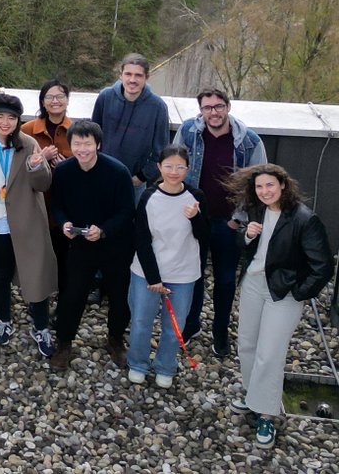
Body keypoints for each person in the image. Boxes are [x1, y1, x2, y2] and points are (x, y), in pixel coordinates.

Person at [227, 164, 332, 449]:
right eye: (259, 187)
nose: (265, 191)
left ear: (283, 185)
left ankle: (266, 413)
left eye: (270, 185)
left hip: (282, 292)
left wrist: (297, 293)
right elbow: (246, 246)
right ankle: (252, 396)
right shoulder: (256, 210)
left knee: (269, 354)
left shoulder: (303, 219)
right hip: (253, 285)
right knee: (247, 345)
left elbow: (322, 267)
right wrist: (248, 235)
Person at [173, 88, 268, 357]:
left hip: (229, 221)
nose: (213, 112)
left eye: (218, 106)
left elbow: (257, 185)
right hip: (195, 218)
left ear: (228, 107)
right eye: (207, 107)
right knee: (193, 274)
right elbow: (175, 167)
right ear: (200, 110)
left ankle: (220, 329)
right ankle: (191, 324)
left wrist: (238, 220)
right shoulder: (189, 132)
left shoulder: (249, 141)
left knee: (226, 279)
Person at [0, 93, 57, 357]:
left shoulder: (28, 145)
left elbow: (42, 185)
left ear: (18, 121)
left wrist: (37, 166)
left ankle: (41, 327)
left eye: (11, 118)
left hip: (27, 223)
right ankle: (4, 319)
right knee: (0, 274)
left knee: (34, 274)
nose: (5, 122)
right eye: (0, 116)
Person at [49, 120, 136, 371]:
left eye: (88, 143)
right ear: (71, 144)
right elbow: (57, 205)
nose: (82, 149)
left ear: (98, 144)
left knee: (119, 296)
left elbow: (127, 210)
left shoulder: (117, 172)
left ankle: (116, 340)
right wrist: (64, 223)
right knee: (72, 293)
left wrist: (104, 230)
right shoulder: (64, 171)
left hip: (115, 243)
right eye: (77, 143)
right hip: (81, 243)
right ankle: (64, 342)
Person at [127, 145, 211, 388]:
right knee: (142, 321)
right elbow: (141, 239)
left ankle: (165, 366)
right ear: (159, 167)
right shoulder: (149, 196)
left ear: (187, 169)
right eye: (168, 166)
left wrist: (195, 217)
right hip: (147, 272)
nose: (174, 172)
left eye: (180, 167)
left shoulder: (196, 197)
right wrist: (153, 277)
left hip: (183, 273)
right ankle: (138, 363)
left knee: (175, 327)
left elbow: (205, 237)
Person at [20, 79, 74, 299]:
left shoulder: (76, 131)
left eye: (60, 96)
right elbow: (17, 167)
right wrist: (41, 158)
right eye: (50, 97)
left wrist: (65, 166)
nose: (55, 101)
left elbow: (85, 165)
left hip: (65, 203)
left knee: (63, 252)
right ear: (42, 101)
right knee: (37, 252)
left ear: (67, 100)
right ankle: (38, 296)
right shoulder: (27, 130)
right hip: (36, 201)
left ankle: (63, 295)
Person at [91, 53, 170, 203]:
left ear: (147, 77)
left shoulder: (158, 107)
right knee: (99, 222)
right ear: (120, 75)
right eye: (128, 74)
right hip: (102, 176)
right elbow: (93, 137)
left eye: (138, 75)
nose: (132, 80)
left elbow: (161, 149)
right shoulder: (105, 97)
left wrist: (142, 177)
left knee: (130, 223)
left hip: (134, 182)